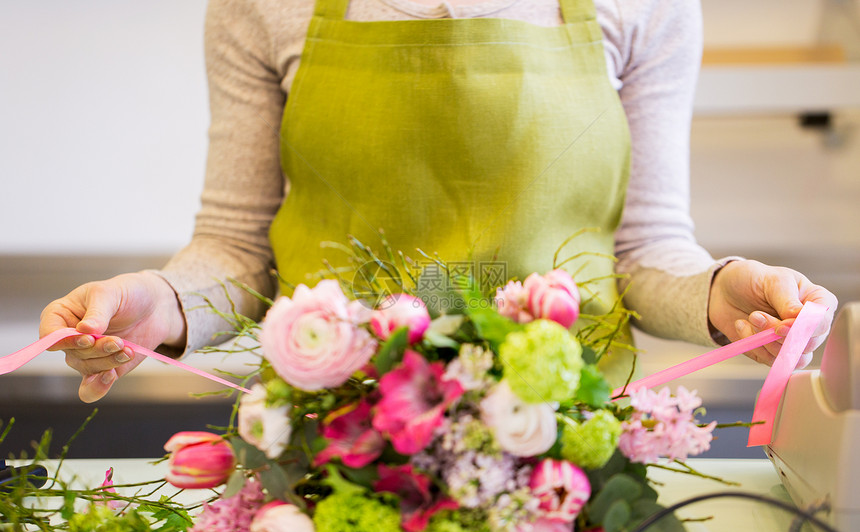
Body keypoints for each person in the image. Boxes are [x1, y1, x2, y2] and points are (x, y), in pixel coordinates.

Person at [40, 0, 837, 403]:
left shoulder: (650, 5)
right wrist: (159, 303)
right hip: (330, 449)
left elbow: (643, 250)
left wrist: (719, 293)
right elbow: (239, 249)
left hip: (561, 460)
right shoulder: (262, 6)